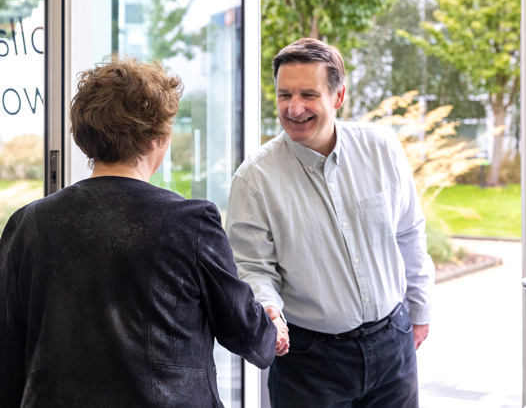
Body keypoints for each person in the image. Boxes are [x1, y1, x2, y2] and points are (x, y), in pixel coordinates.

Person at [0, 56, 288, 407]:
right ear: (156, 138)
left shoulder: (28, 223)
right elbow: (245, 332)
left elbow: (8, 352)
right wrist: (270, 327)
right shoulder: (190, 221)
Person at [226, 38, 434, 407]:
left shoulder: (381, 148)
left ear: (338, 97)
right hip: (310, 362)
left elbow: (409, 232)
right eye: (284, 95)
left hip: (393, 343)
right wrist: (269, 310)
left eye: (309, 94)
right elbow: (253, 268)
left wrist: (420, 309)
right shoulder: (254, 179)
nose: (294, 108)